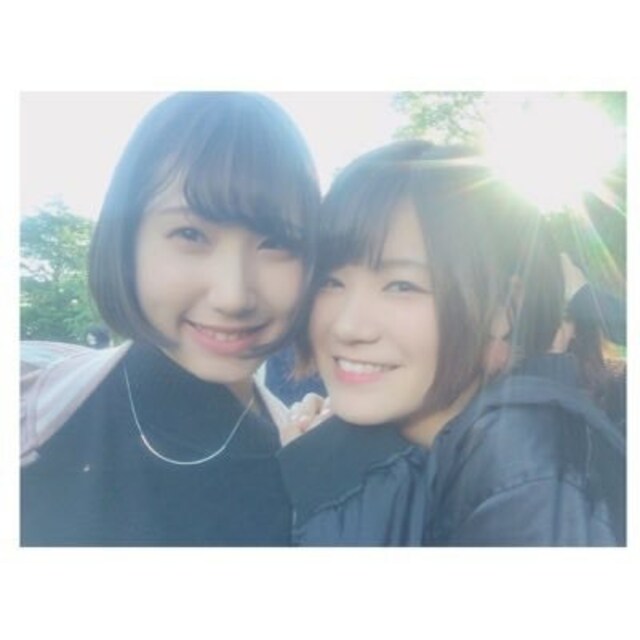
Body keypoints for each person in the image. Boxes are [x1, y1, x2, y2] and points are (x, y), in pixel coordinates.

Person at [278, 140, 625, 546]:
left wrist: (336, 487)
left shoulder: (528, 467)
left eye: (402, 285)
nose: (348, 327)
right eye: (331, 281)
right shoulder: (454, 448)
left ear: (503, 309)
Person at [20, 92, 321, 546]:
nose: (233, 296)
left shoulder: (307, 466)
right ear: (127, 241)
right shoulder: (31, 418)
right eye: (190, 234)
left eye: (276, 242)